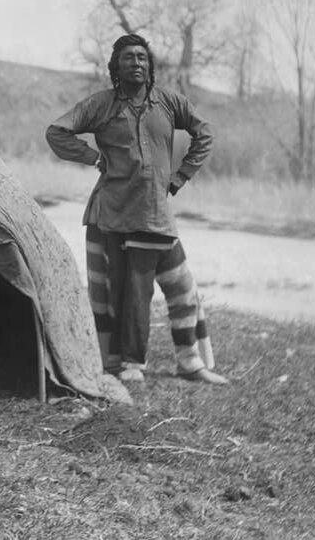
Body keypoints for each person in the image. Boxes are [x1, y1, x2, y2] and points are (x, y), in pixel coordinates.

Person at [45, 33, 227, 385]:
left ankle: (190, 362)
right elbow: (57, 132)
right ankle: (128, 364)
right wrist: (93, 157)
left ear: (150, 64)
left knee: (183, 286)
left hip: (157, 211)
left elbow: (204, 132)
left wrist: (180, 175)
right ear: (116, 66)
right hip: (116, 213)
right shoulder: (102, 104)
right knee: (129, 291)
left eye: (142, 57)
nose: (136, 63)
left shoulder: (168, 102)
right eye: (128, 57)